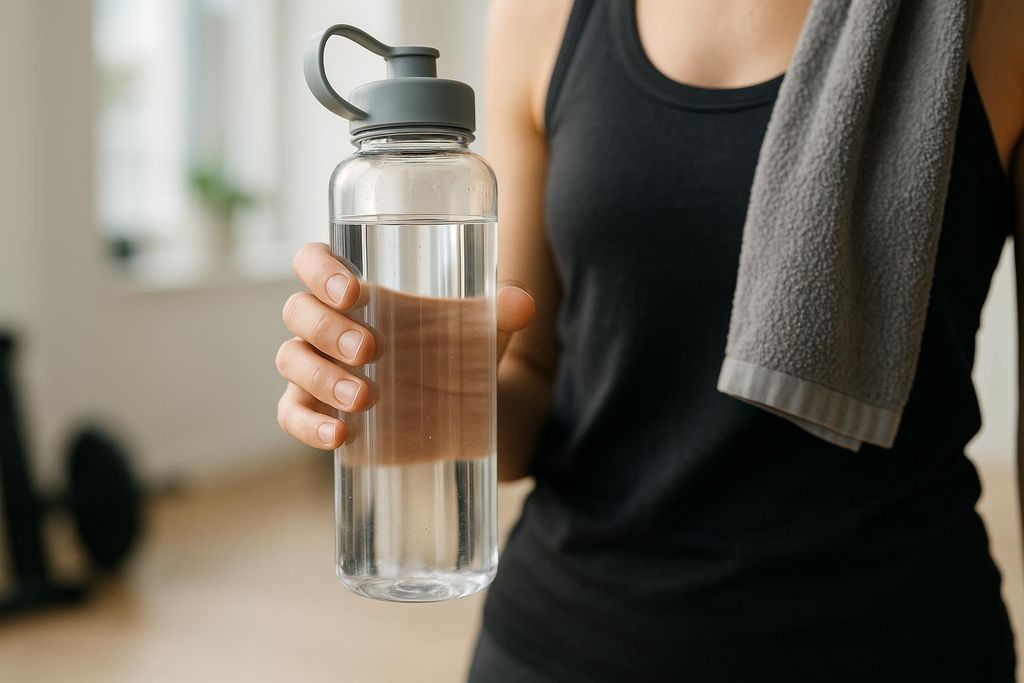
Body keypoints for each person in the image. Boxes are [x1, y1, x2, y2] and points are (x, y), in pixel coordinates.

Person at [275, 0, 1024, 680]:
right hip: (565, 640)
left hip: (893, 642)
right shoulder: (541, 16)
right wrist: (412, 402)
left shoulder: (995, 22)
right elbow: (533, 375)